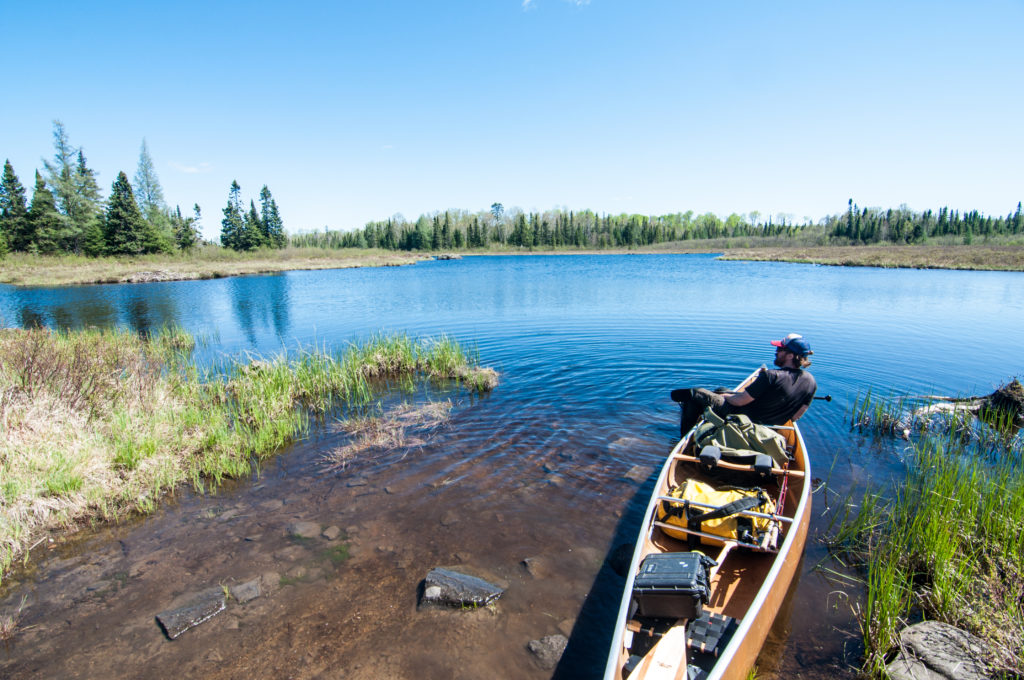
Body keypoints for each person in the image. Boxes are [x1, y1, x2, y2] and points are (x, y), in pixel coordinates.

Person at [671, 333, 817, 436]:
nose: (776, 352)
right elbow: (796, 416)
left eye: (780, 350)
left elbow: (739, 401)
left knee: (697, 394)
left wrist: (726, 397)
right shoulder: (811, 382)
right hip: (769, 425)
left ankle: (684, 438)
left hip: (744, 419)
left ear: (791, 356)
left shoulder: (771, 375)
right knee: (720, 389)